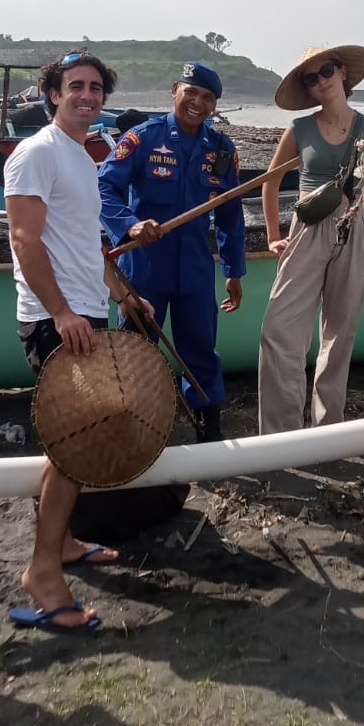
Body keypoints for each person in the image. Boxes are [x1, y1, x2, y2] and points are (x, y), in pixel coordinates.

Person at [4, 49, 152, 630]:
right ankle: (43, 571)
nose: (87, 96)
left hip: (85, 312)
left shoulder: (83, 157)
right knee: (75, 445)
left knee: (71, 442)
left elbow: (85, 242)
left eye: (95, 88)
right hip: (56, 320)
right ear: (53, 93)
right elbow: (24, 238)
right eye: (76, 86)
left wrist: (122, 293)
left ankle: (63, 543)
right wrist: (61, 311)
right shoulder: (36, 152)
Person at [98, 61, 245, 442]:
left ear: (215, 105)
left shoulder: (222, 149)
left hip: (195, 268)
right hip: (144, 267)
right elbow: (103, 188)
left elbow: (230, 213)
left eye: (208, 97)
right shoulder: (143, 138)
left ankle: (207, 427)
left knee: (200, 349)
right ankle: (130, 428)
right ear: (175, 90)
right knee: (136, 349)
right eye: (191, 92)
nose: (198, 103)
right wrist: (129, 224)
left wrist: (233, 270)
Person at [257, 45, 364, 433]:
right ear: (307, 88)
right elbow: (270, 183)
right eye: (311, 78)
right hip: (308, 227)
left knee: (339, 335)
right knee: (278, 331)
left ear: (342, 73)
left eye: (327, 71)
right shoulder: (299, 129)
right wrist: (273, 236)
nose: (321, 80)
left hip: (358, 226)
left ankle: (327, 431)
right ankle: (280, 436)